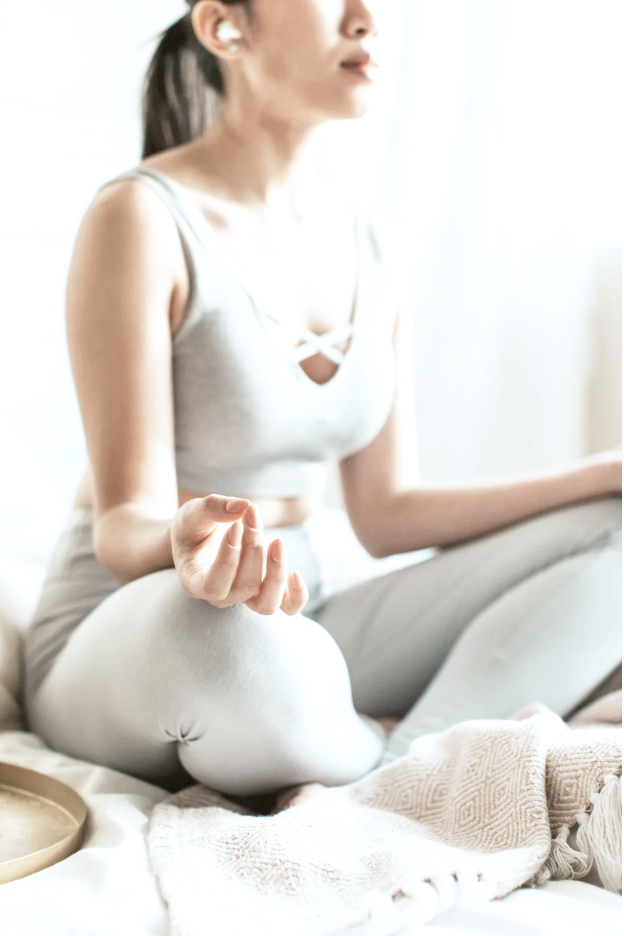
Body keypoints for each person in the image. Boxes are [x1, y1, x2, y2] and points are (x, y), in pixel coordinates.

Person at [24, 0, 621, 807]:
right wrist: (186, 536)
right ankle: (357, 748)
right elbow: (124, 521)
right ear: (224, 28)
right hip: (142, 619)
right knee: (227, 637)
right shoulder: (141, 216)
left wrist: (605, 474)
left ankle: (406, 767)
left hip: (305, 607)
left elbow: (387, 512)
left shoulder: (375, 245)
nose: (368, 18)